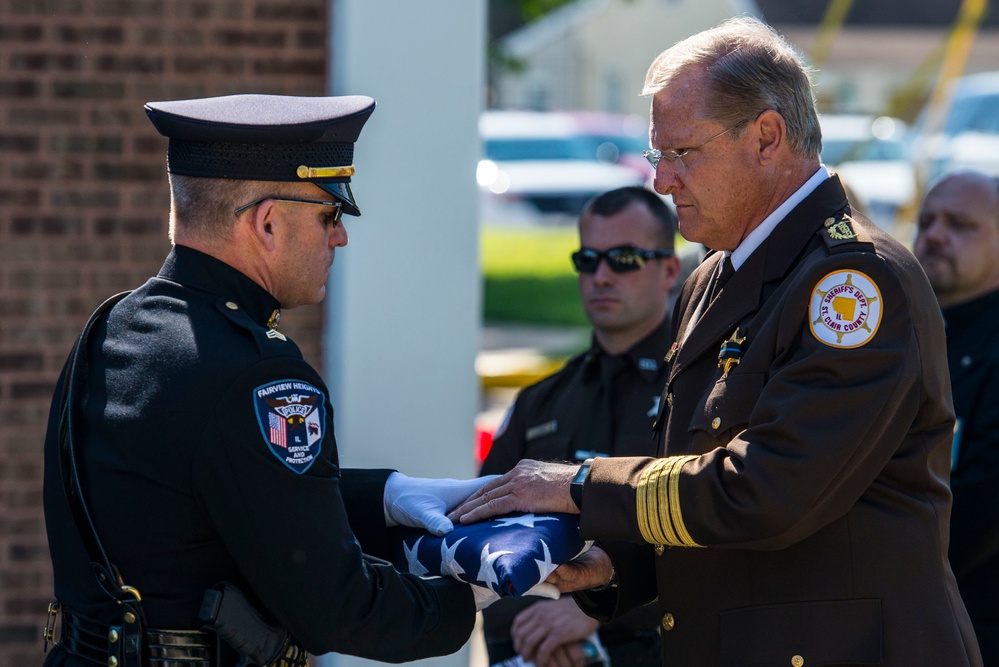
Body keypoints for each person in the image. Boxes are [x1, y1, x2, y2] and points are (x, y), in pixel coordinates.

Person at [451, 16, 983, 667]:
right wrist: (611, 567)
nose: (661, 180)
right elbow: (694, 480)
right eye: (657, 156)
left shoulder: (853, 283)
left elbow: (767, 492)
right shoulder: (711, 277)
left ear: (765, 137)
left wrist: (582, 484)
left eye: (680, 153)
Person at [41, 94, 495, 667]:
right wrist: (471, 594)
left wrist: (385, 496)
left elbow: (213, 497)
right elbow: (338, 608)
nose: (340, 238)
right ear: (268, 222)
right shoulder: (259, 372)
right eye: (329, 215)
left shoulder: (112, 327)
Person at [480, 186, 680, 667]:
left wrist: (596, 615)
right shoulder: (541, 400)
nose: (602, 276)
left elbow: (720, 530)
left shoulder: (700, 392)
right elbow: (483, 539)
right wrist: (537, 635)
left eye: (625, 259)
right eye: (588, 259)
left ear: (670, 271)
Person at [914, 169, 999, 666]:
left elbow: (983, 509)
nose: (936, 235)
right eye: (926, 221)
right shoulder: (904, 328)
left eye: (961, 224)